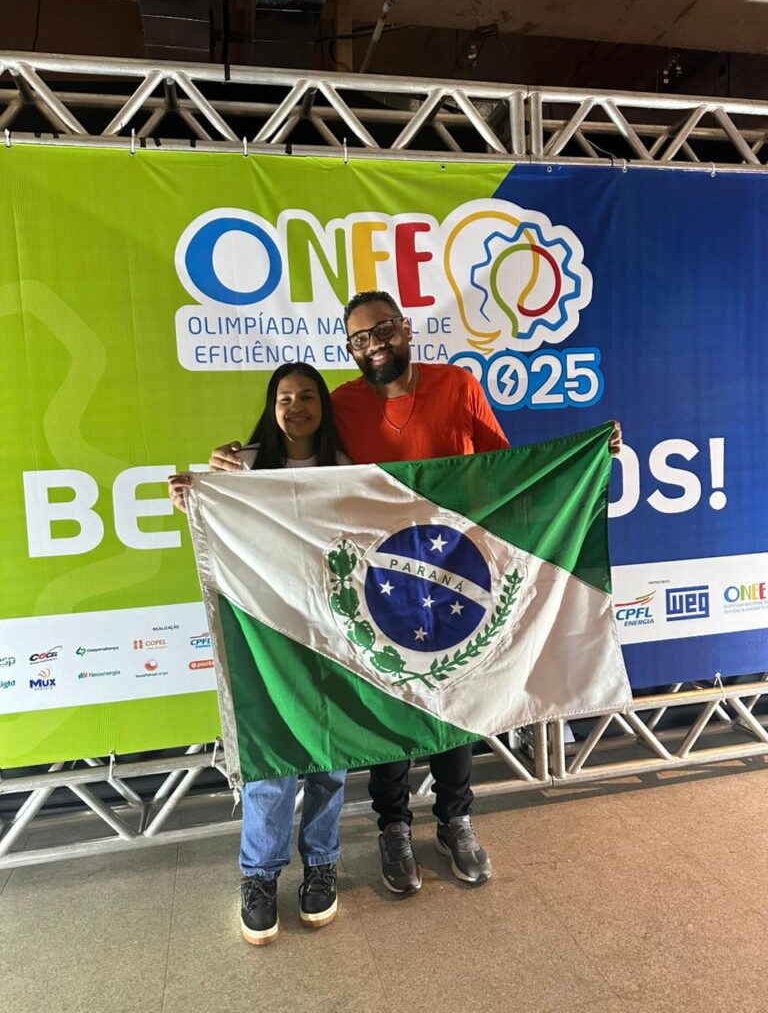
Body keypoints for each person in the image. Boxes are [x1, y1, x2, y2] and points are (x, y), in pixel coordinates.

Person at [210, 291, 623, 898]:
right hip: (381, 579)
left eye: (381, 331)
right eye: (358, 339)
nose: (372, 344)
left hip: (458, 571)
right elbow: (297, 472)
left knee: (462, 695)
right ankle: (394, 828)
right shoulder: (341, 404)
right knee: (388, 697)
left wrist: (583, 457)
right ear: (349, 350)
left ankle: (456, 820)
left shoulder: (457, 385)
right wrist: (223, 470)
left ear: (404, 329)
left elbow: (509, 469)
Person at [169, 361, 349, 946]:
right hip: (265, 633)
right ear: (271, 408)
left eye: (306, 396)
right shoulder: (242, 465)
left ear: (323, 405)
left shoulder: (349, 469)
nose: (295, 407)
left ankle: (322, 862)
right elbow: (207, 514)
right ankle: (259, 876)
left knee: (328, 755)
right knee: (272, 760)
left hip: (334, 634)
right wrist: (190, 498)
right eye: (284, 398)